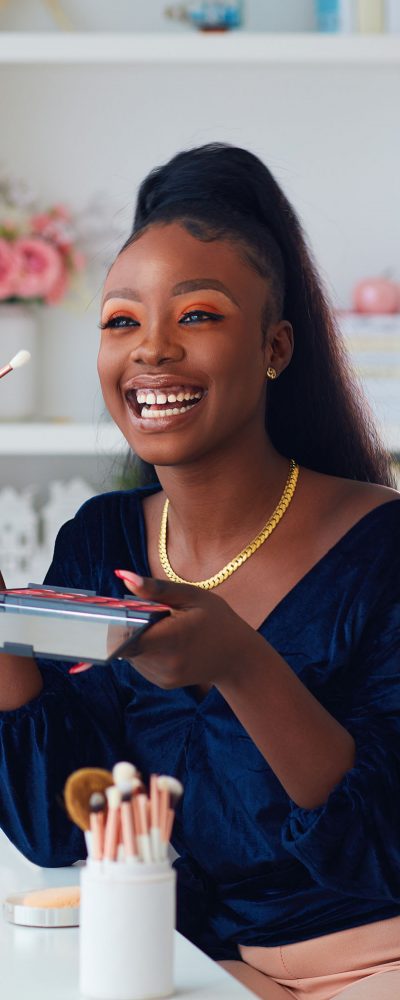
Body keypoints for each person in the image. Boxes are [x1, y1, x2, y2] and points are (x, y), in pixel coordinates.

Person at [0, 143, 400, 1000]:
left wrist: (243, 664)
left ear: (276, 346)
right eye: (120, 320)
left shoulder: (383, 545)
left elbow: (380, 845)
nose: (151, 351)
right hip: (185, 960)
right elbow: (55, 826)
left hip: (377, 956)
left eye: (198, 315)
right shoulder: (100, 539)